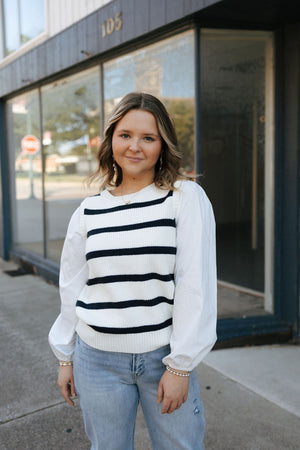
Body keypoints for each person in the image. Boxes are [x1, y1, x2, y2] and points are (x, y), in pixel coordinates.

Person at [49, 92, 217, 450]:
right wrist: (65, 357)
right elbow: (72, 287)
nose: (135, 147)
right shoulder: (88, 211)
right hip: (96, 360)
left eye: (148, 137)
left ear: (162, 145)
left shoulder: (183, 198)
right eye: (125, 135)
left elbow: (194, 285)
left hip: (163, 357)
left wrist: (180, 366)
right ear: (111, 140)